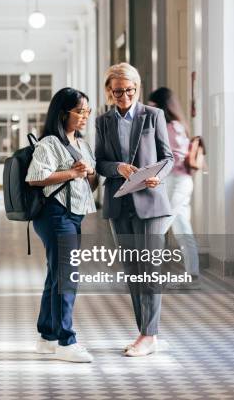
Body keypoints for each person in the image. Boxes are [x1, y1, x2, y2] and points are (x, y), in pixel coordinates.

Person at [94, 63, 174, 357]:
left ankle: (148, 334)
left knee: (150, 269)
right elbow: (100, 162)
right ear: (109, 91)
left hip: (151, 202)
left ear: (137, 88)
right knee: (133, 271)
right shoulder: (103, 122)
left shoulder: (153, 116)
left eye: (130, 90)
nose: (125, 96)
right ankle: (147, 333)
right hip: (119, 202)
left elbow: (168, 157)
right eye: (118, 92)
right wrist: (118, 168)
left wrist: (158, 176)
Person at [26, 87, 99, 363]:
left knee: (57, 275)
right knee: (67, 278)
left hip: (74, 214)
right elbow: (35, 177)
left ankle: (47, 337)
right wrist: (72, 172)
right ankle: (66, 342)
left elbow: (89, 180)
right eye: (79, 111)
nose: (84, 116)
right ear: (62, 112)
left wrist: (89, 173)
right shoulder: (49, 143)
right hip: (55, 215)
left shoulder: (82, 143)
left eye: (87, 111)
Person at [148, 87, 200, 288]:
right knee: (182, 230)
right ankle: (192, 276)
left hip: (178, 182)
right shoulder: (175, 125)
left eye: (153, 105)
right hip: (177, 181)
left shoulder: (172, 126)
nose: (150, 109)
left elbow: (175, 156)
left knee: (159, 226)